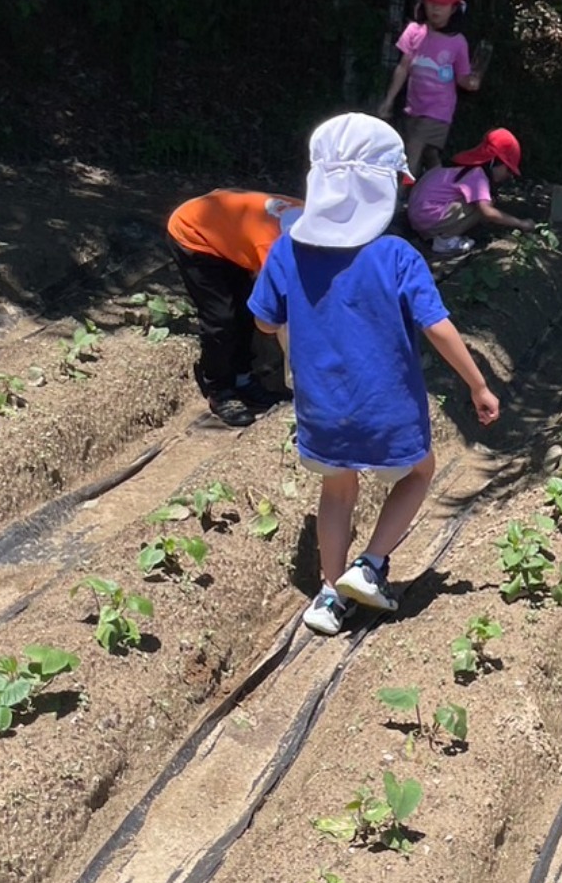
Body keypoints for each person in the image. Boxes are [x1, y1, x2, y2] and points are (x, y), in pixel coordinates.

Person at [249, 113, 502, 636]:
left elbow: (263, 319)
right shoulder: (396, 256)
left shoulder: (287, 250)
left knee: (337, 492)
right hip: (387, 404)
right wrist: (478, 385)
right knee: (419, 472)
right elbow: (439, 329)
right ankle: (371, 565)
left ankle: (327, 594)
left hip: (320, 404)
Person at [167, 189, 303, 425]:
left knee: (245, 309)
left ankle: (243, 378)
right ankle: (219, 389)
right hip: (195, 234)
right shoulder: (274, 248)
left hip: (231, 235)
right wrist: (300, 381)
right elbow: (280, 319)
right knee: (222, 319)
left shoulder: (316, 221)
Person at [378, 0, 485, 174]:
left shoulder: (458, 42)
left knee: (413, 149)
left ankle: (399, 196)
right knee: (429, 155)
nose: (435, 9)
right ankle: (441, 190)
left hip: (438, 112)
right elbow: (403, 67)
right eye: (431, 2)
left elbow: (463, 77)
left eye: (442, 5)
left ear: (454, 8)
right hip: (413, 108)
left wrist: (471, 83)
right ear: (423, 2)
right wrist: (389, 100)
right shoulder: (414, 31)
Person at [405, 130, 535, 257]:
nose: (508, 175)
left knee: (481, 201)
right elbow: (487, 212)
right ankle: (445, 241)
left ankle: (442, 234)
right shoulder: (477, 175)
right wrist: (521, 223)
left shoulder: (463, 166)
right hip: (427, 218)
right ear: (495, 161)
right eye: (508, 170)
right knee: (483, 206)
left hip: (418, 216)